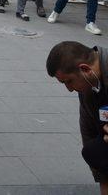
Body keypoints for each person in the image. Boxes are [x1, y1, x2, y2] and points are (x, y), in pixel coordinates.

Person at [47, 41, 108, 194]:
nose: (69, 89)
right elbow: (88, 131)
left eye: (69, 81)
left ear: (85, 69)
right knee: (93, 151)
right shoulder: (87, 90)